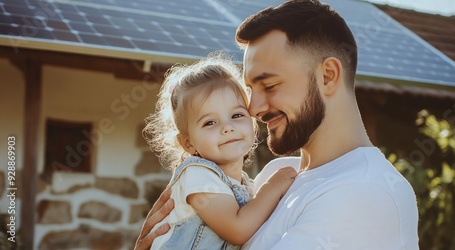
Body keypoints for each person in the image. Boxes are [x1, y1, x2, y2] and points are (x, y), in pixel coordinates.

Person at [136, 0, 419, 249]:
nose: (254, 109)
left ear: (328, 76)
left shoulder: (366, 193)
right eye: (250, 90)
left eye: (269, 85)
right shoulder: (277, 173)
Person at [142, 53, 297, 249]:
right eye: (210, 122)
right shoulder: (197, 175)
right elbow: (237, 229)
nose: (227, 127)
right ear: (188, 143)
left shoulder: (244, 185)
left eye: (237, 115)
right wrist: (273, 187)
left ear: (252, 124)